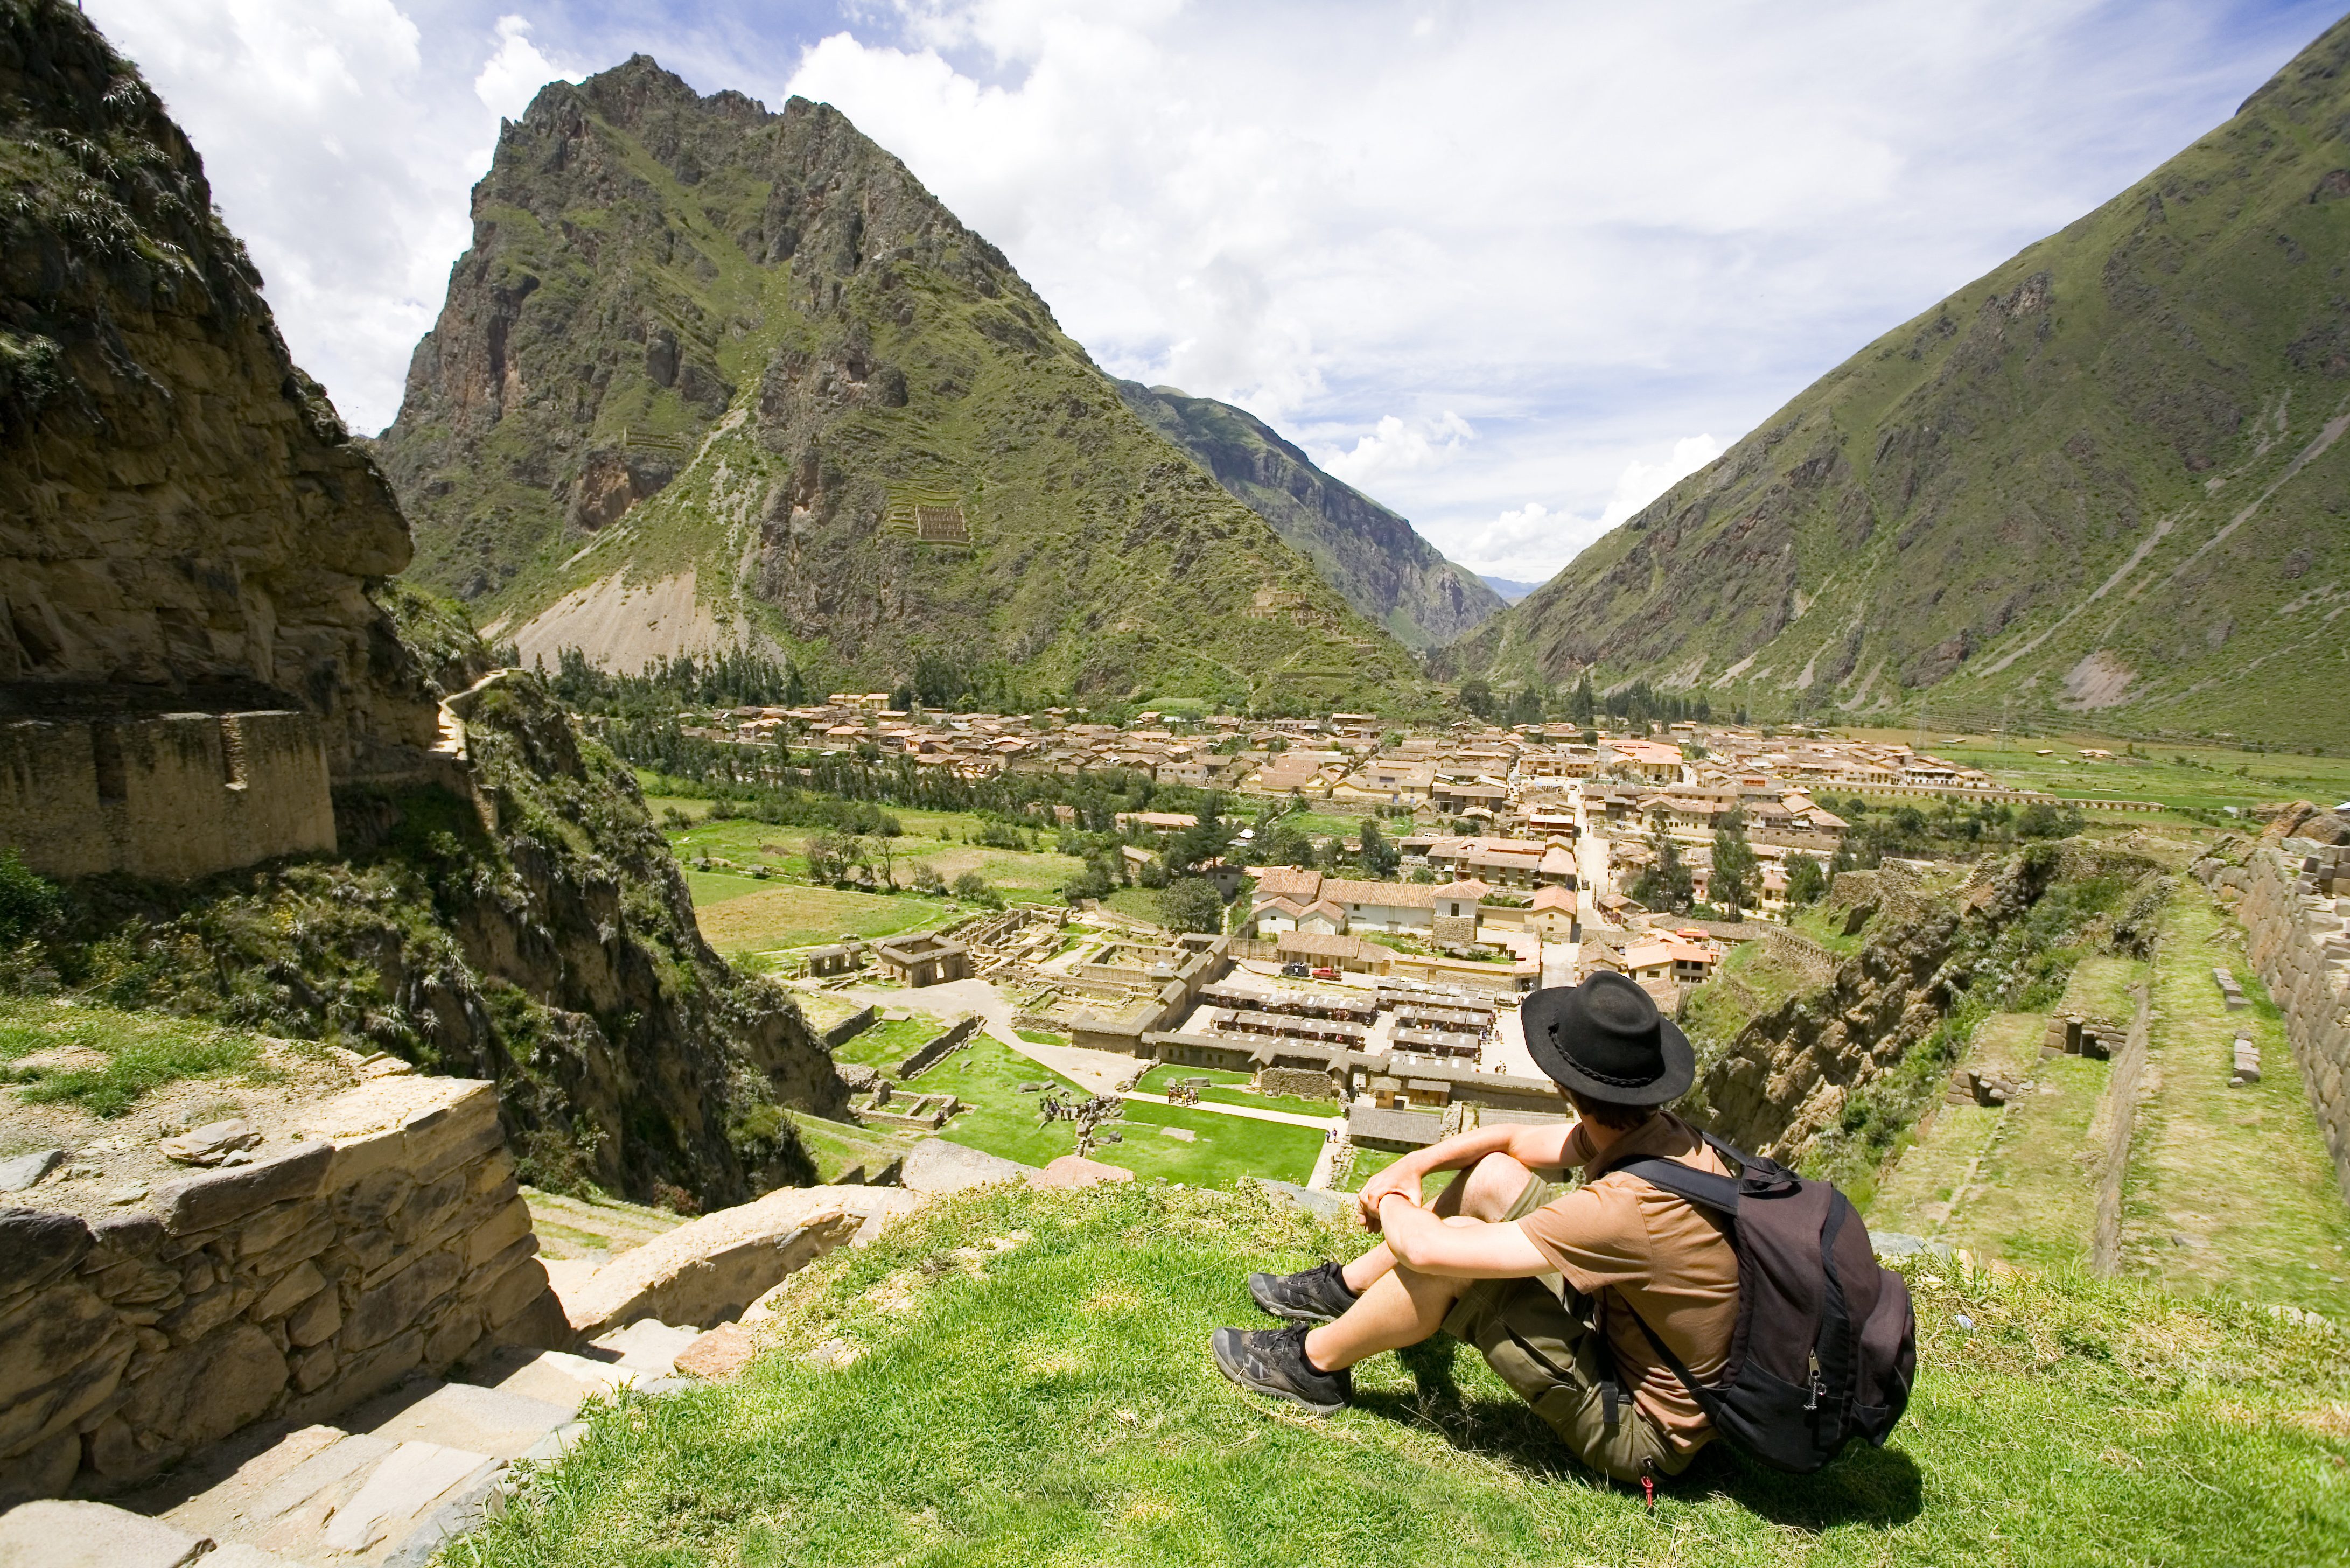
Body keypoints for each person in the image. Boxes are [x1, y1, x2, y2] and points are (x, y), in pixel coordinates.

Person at [1209, 971, 1738, 1485]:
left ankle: (1311, 1365)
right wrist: (1410, 1167)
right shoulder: (1659, 1135)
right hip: (1621, 1323)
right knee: (1493, 1177)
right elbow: (1511, 1141)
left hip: (1640, 1427)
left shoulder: (1624, 1209)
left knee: (1452, 1259)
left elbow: (1425, 1249)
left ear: (1564, 1085)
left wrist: (1389, 1198)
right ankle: (1348, 1290)